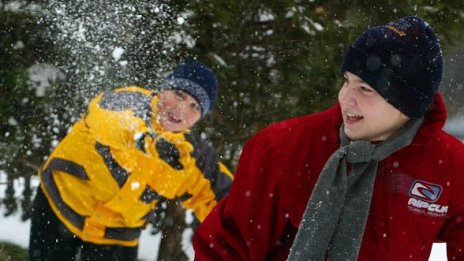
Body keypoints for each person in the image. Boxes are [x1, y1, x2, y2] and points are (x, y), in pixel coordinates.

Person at [193, 16, 464, 261]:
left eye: (365, 89)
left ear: (407, 104)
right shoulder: (283, 148)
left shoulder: (449, 165)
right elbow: (225, 248)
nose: (345, 98)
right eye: (346, 81)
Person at [28, 59, 233, 261]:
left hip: (117, 234)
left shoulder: (190, 155)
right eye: (179, 95)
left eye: (194, 106)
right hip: (61, 204)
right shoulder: (130, 101)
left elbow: (227, 201)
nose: (181, 110)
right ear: (163, 89)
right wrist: (142, 139)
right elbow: (105, 119)